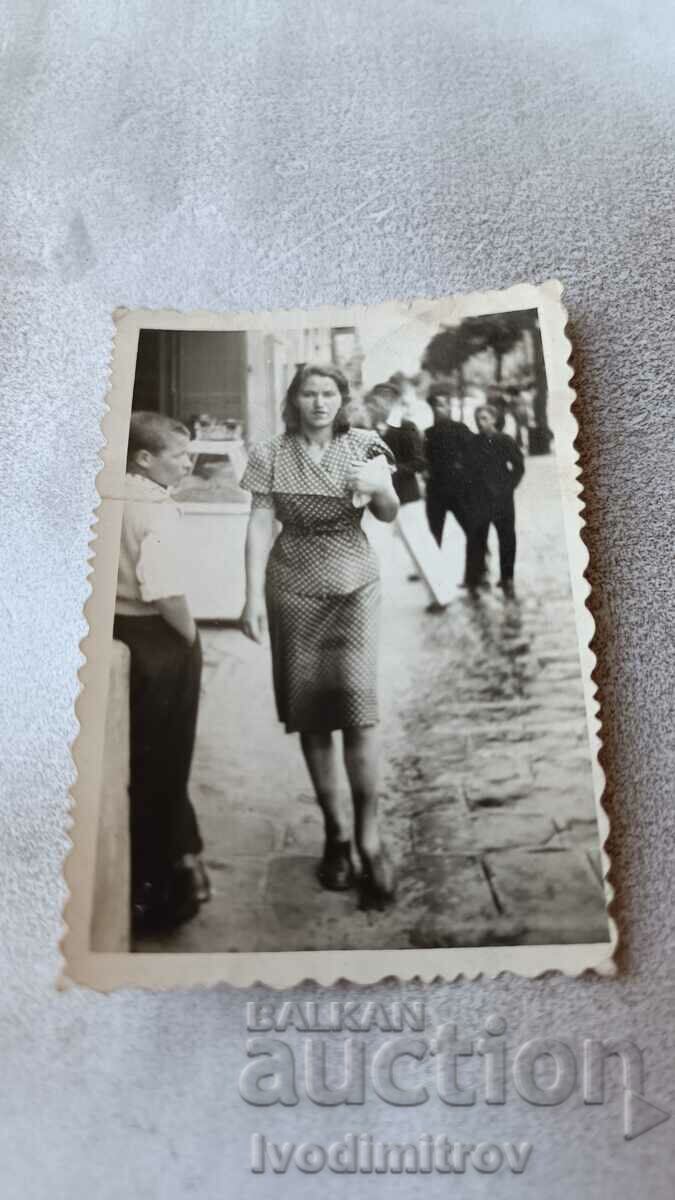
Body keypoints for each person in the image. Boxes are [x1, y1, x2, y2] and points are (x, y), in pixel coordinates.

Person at [240, 364, 400, 909]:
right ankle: (335, 834)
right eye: (309, 394)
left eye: (328, 393)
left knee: (358, 709)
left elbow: (387, 513)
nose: (319, 403)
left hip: (355, 585)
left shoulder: (367, 446)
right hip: (292, 587)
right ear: (294, 400)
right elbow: (260, 522)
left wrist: (379, 487)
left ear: (341, 398)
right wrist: (249, 598)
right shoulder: (269, 452)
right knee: (311, 712)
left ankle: (370, 839)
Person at [114, 411, 210, 934]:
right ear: (144, 458)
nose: (189, 462)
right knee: (167, 765)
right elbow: (166, 589)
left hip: (119, 632)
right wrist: (192, 638)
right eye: (180, 455)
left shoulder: (112, 497)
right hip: (159, 640)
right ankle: (167, 888)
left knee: (144, 763)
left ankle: (175, 868)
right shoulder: (156, 509)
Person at [464, 405, 525, 597]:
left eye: (483, 418)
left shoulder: (505, 440)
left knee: (506, 538)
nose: (479, 422)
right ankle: (475, 579)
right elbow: (468, 469)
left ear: (493, 419)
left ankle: (507, 578)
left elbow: (519, 466)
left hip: (502, 500)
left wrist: (508, 488)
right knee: (476, 539)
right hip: (479, 500)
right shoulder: (473, 442)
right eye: (477, 418)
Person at [423, 383, 473, 550]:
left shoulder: (461, 429)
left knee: (471, 526)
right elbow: (422, 460)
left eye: (444, 405)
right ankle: (434, 568)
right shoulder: (427, 434)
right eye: (436, 406)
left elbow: (475, 454)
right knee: (434, 532)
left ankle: (482, 564)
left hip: (459, 489)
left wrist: (465, 472)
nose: (440, 409)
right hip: (435, 490)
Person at [363, 382, 426, 505]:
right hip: (376, 501)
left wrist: (392, 469)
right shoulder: (366, 428)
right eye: (375, 402)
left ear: (393, 403)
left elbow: (419, 462)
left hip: (404, 497)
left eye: (386, 401)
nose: (376, 407)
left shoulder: (406, 427)